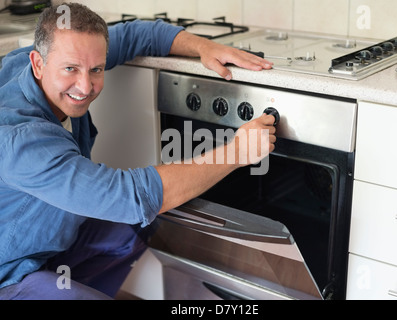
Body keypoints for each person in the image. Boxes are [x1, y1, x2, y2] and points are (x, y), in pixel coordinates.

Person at [0, 2, 276, 300]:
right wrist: (236, 153)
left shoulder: (58, 56)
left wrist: (202, 47)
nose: (85, 86)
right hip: (9, 272)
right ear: (38, 63)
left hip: (42, 241)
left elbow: (137, 34)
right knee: (133, 213)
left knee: (130, 233)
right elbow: (131, 196)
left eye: (96, 69)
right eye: (71, 69)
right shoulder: (22, 140)